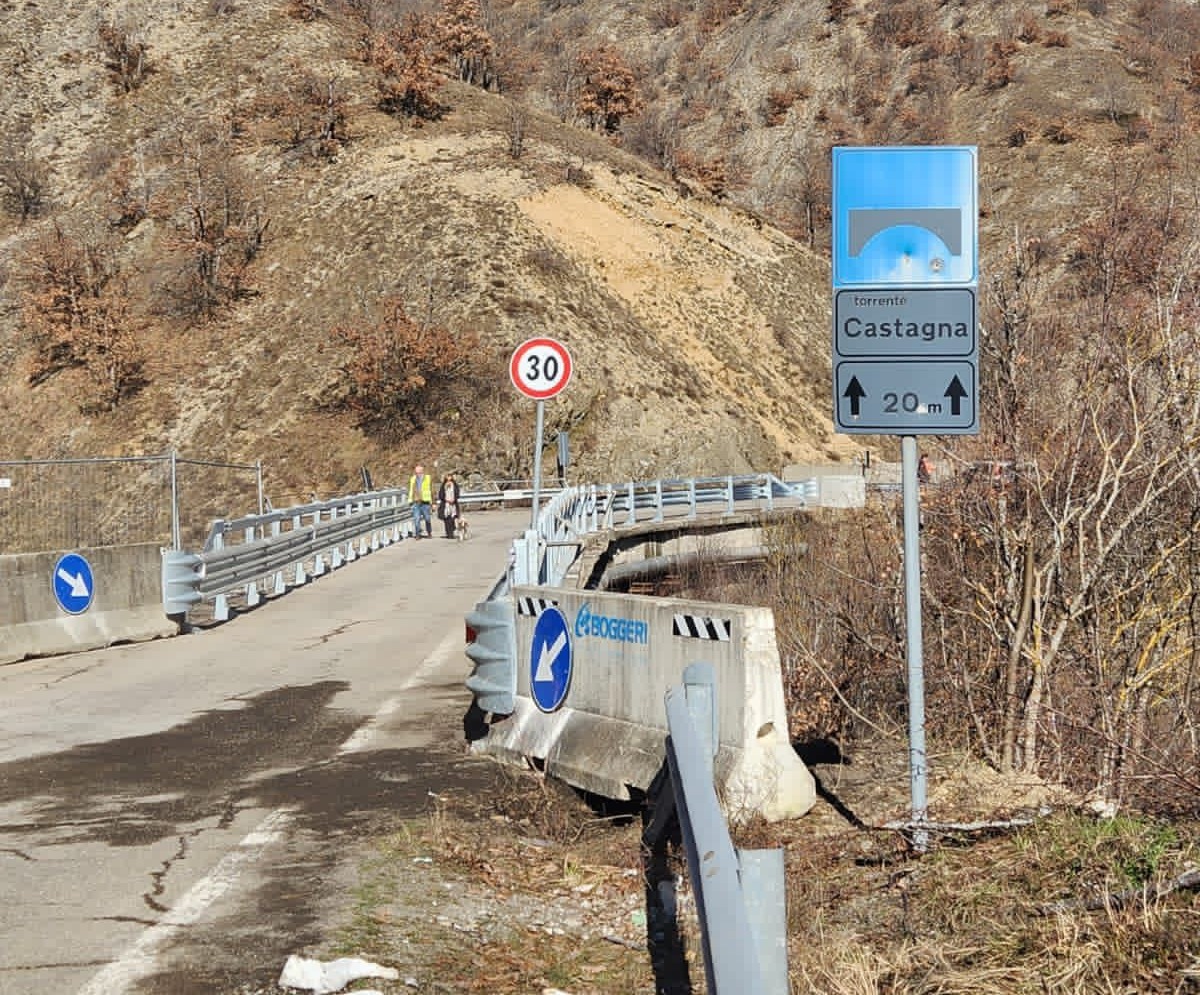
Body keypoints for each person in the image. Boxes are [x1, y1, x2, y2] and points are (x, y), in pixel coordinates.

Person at [408, 463, 433, 538]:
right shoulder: (413, 479)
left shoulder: (428, 478)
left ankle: (429, 532)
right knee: (417, 519)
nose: (417, 473)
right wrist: (410, 501)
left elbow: (432, 490)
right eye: (416, 472)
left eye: (419, 472)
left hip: (425, 502)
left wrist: (433, 502)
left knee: (427, 519)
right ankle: (417, 534)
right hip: (416, 501)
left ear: (422, 471)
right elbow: (411, 490)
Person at [437, 472, 461, 539]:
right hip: (446, 505)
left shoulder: (455, 485)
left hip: (453, 505)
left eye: (450, 476)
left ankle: (452, 531)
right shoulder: (443, 485)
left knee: (452, 519)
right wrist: (446, 500)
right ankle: (449, 534)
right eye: (447, 476)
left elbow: (457, 494)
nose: (449, 478)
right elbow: (440, 495)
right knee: (447, 520)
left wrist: (454, 499)